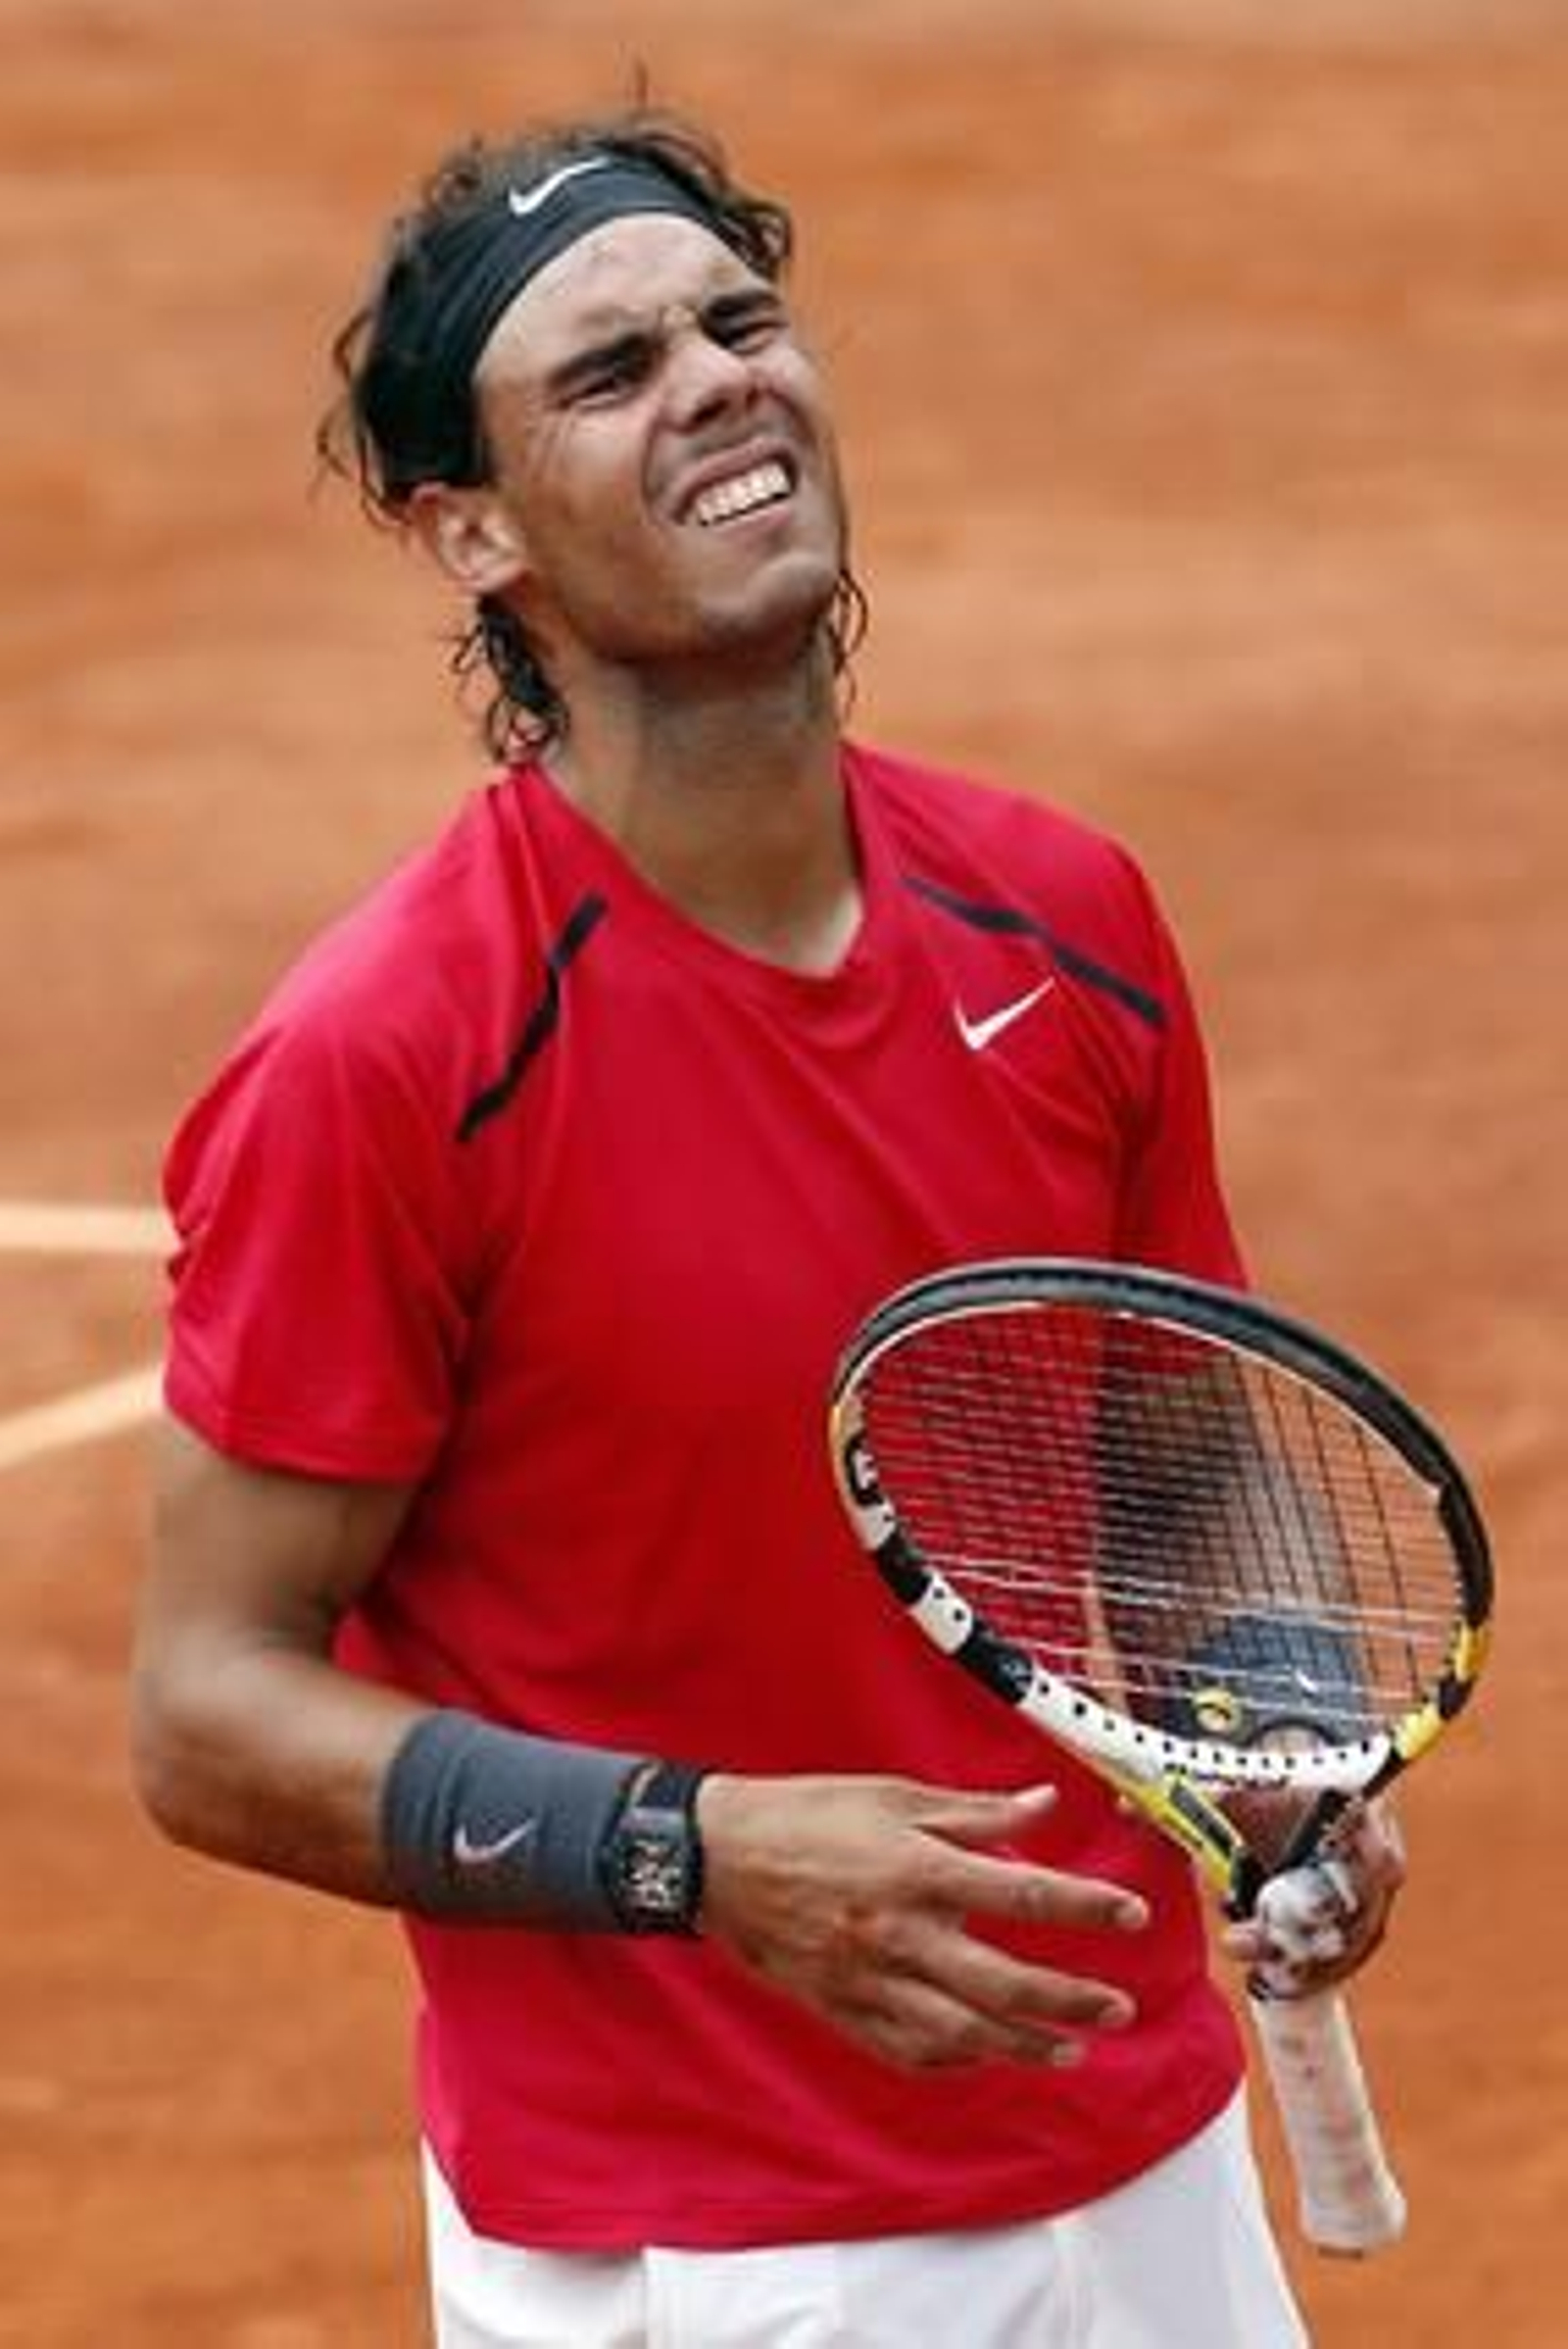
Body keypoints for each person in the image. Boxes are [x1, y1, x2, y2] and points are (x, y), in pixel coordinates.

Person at [132, 105, 1404, 2348]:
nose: (714, 378)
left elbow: (1177, 1448)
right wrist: (696, 1851)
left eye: (738, 321)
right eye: (606, 375)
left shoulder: (1066, 918)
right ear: (466, 535)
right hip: (719, 2253)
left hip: (1142, 2160)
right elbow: (208, 1708)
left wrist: (1275, 1728)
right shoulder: (390, 1057)